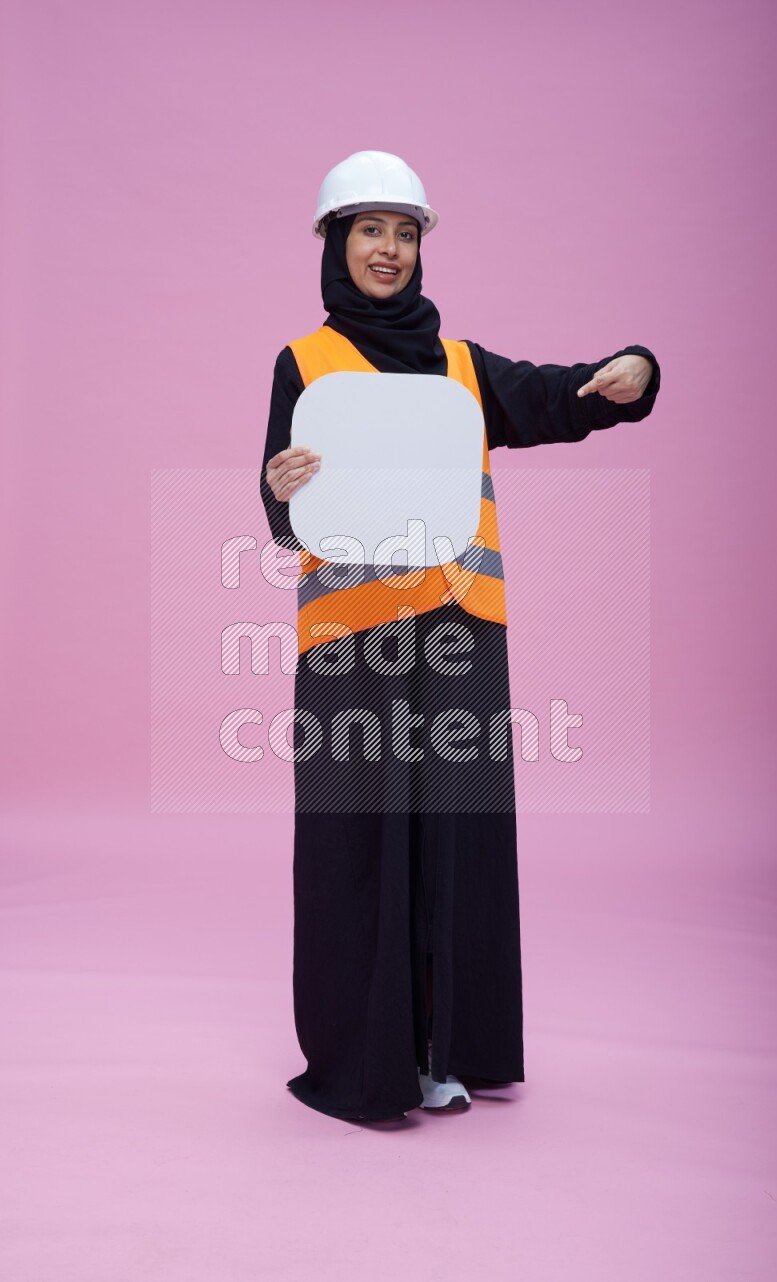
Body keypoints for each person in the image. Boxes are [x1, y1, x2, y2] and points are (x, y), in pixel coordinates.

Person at [260, 150, 660, 1122]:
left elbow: (553, 397)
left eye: (404, 232)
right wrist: (277, 491)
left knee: (456, 841)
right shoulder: (304, 364)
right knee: (362, 845)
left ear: (419, 248)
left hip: (458, 630)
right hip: (354, 639)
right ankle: (368, 1062)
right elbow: (282, 512)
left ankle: (445, 1051)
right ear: (334, 242)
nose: (388, 250)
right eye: (369, 230)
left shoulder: (461, 365)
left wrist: (625, 376)